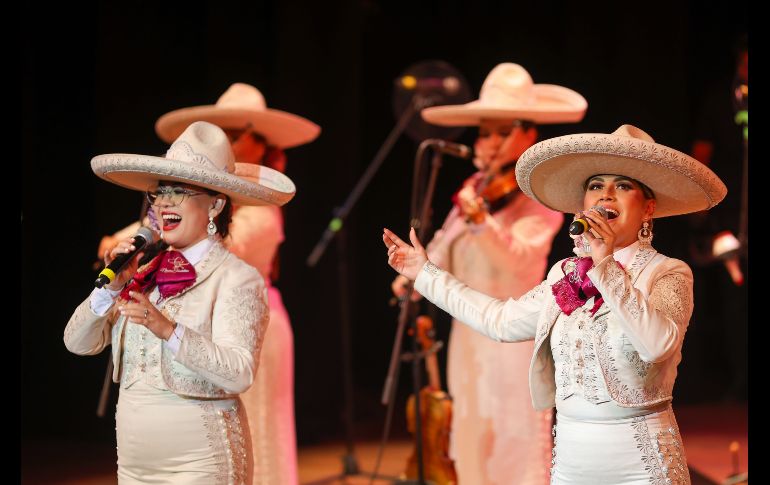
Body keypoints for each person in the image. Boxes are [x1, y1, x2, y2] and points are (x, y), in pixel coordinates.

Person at [383, 124, 727, 484]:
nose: (605, 195)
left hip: (641, 463)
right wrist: (424, 273)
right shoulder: (566, 274)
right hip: (570, 466)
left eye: (622, 186)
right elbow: (499, 320)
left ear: (648, 209)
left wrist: (606, 265)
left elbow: (658, 346)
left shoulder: (667, 272)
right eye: (596, 186)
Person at [103, 82, 319, 485]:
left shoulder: (259, 219)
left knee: (250, 423)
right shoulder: (176, 218)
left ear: (262, 143)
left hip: (246, 321)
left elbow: (210, 245)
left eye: (239, 136)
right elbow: (164, 233)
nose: (233, 142)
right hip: (193, 321)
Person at [64, 121, 297, 484]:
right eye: (160, 192)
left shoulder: (236, 277)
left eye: (180, 191)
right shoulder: (142, 274)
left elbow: (239, 373)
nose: (164, 201)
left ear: (216, 205)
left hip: (201, 463)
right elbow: (75, 342)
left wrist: (169, 331)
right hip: (134, 465)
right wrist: (109, 289)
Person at [391, 62, 587, 484]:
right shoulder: (475, 191)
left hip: (516, 332)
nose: (491, 142)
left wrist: (482, 223)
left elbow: (519, 259)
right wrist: (414, 272)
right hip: (468, 333)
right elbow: (443, 248)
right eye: (485, 133)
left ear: (529, 135)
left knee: (514, 439)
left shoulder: (539, 196)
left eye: (503, 132)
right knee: (470, 437)